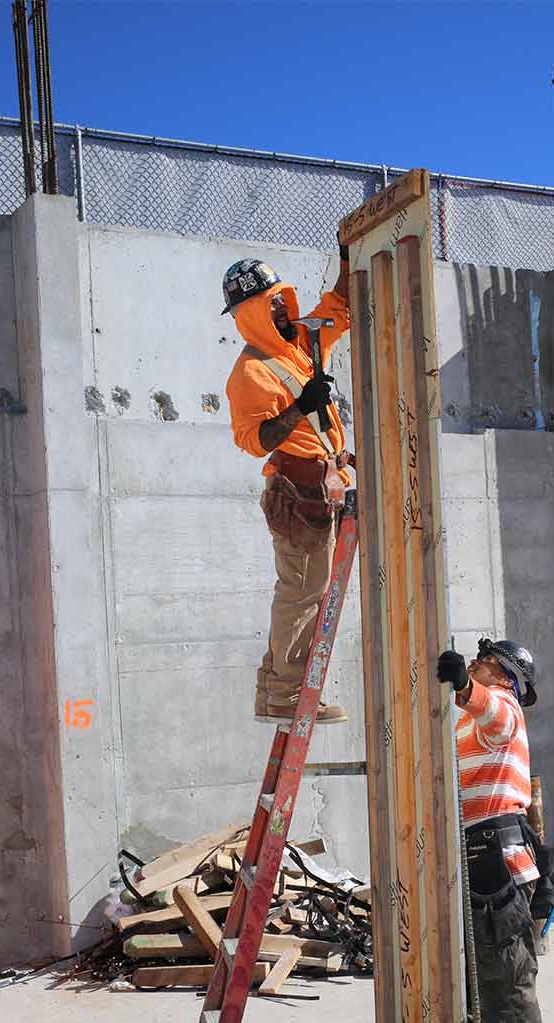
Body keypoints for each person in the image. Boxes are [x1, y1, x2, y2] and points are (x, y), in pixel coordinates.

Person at [224, 255, 354, 725]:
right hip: (296, 493)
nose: (280, 308)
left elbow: (338, 307)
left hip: (317, 486)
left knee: (302, 590)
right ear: (251, 314)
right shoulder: (251, 373)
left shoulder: (300, 343)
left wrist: (346, 258)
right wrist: (301, 406)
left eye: (280, 299)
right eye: (269, 304)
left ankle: (271, 690)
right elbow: (254, 442)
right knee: (304, 592)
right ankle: (288, 694)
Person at [436, 638, 554, 1023]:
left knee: (509, 984)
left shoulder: (502, 707)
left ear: (503, 673)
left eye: (482, 663)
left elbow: (496, 717)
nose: (474, 665)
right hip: (473, 857)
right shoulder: (465, 724)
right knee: (476, 984)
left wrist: (464, 686)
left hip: (497, 865)